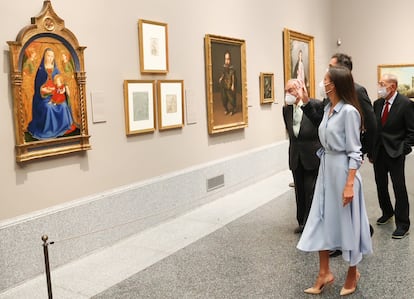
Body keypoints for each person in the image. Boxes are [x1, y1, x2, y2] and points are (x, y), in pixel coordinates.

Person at [297, 66, 373, 296]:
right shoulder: (328, 108)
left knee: (347, 224)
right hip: (326, 171)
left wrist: (350, 184)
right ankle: (324, 273)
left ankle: (352, 273)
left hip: (343, 174)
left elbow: (355, 152)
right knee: (320, 220)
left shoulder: (349, 112)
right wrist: (305, 99)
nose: (324, 83)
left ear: (337, 84)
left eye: (327, 80)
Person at [369, 73, 414, 239]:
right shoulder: (377, 103)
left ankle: (403, 224)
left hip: (395, 152)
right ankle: (387, 212)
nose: (379, 87)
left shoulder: (406, 104)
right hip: (379, 152)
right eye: (379, 83)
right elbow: (375, 129)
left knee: (399, 188)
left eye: (382, 84)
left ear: (393, 86)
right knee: (380, 185)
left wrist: (404, 149)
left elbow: (412, 131)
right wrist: (371, 151)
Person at [283, 79, 323, 234]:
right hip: (296, 155)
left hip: (312, 154)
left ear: (300, 89)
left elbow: (319, 126)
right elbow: (290, 131)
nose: (288, 94)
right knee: (299, 190)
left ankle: (310, 223)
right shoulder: (286, 109)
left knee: (310, 190)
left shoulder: (316, 105)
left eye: (291, 90)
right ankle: (301, 221)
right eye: (286, 90)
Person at [28, 48, 74, 140]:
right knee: (48, 108)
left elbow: (62, 82)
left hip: (56, 96)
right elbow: (38, 88)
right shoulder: (41, 70)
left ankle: (63, 127)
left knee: (64, 106)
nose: (50, 58)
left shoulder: (56, 70)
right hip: (43, 99)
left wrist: (63, 88)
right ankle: (48, 131)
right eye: (48, 55)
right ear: (44, 56)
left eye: (52, 56)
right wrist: (44, 90)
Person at [218, 50, 236, 116]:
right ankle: (226, 109)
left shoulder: (232, 68)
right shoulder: (224, 67)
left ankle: (233, 109)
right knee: (224, 98)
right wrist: (221, 78)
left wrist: (233, 85)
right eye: (226, 59)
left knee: (231, 98)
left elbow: (233, 77)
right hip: (224, 85)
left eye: (228, 59)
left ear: (230, 60)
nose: (227, 61)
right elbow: (223, 74)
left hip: (230, 85)